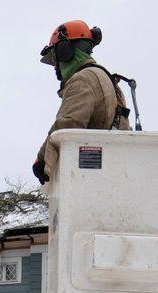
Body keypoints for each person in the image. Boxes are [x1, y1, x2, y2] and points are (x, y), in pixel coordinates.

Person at [32, 20, 131, 185]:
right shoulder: (106, 78)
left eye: (55, 57)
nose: (55, 66)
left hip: (95, 179)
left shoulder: (82, 80)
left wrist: (42, 160)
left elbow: (67, 125)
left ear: (65, 51)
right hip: (112, 173)